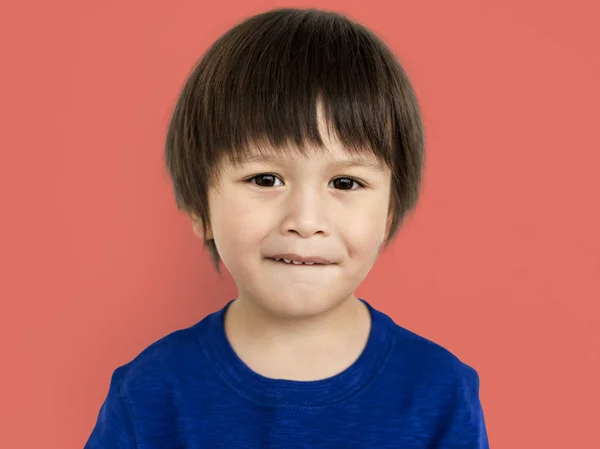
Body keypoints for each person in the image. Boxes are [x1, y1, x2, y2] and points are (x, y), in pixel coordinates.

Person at [84, 7, 489, 448]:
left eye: (346, 182)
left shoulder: (440, 392)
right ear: (201, 207)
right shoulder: (148, 392)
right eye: (265, 179)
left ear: (389, 212)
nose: (306, 221)